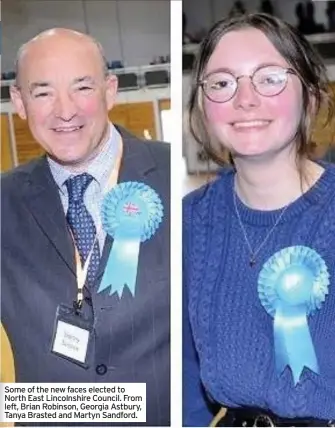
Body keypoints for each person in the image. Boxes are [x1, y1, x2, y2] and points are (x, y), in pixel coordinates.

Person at [1, 28, 170, 426]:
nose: (65, 110)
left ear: (110, 90)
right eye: (43, 93)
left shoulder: (171, 179)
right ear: (19, 102)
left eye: (82, 87)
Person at [183, 12, 335, 427]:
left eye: (269, 78)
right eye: (222, 82)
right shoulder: (188, 225)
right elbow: (183, 387)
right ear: (202, 106)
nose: (244, 99)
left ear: (311, 95)